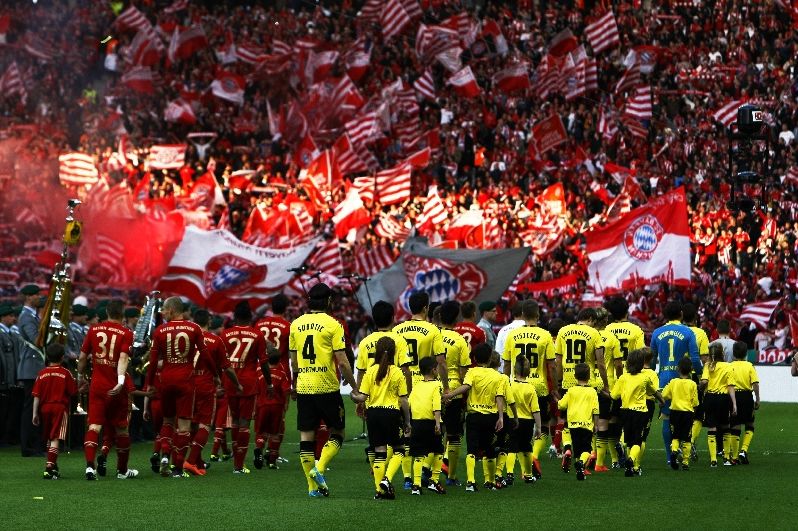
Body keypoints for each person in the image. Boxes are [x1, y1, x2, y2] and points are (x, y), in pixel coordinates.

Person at [289, 282, 359, 497]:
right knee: (338, 431)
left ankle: (312, 488)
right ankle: (319, 469)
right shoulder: (333, 324)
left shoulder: (295, 324)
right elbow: (343, 362)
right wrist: (354, 386)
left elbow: (294, 362)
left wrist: (295, 384)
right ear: (329, 301)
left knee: (306, 436)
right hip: (326, 386)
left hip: (304, 386)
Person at [77, 299, 138, 480]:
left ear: (107, 313)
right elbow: (123, 358)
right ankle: (122, 471)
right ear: (122, 314)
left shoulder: (93, 330)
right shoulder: (126, 332)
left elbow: (82, 357)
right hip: (115, 387)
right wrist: (120, 381)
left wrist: (80, 377)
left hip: (97, 385)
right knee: (121, 429)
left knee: (94, 426)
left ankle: (90, 467)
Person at [147, 296, 207, 478]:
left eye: (164, 310)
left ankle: (165, 453)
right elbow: (204, 355)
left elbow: (152, 361)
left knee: (167, 421)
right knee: (184, 426)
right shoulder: (194, 328)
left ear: (172, 310)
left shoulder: (160, 330)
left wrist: (149, 383)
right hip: (186, 381)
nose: (163, 313)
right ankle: (178, 468)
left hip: (166, 380)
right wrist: (217, 374)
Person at [393, 291, 446, 488]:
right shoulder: (433, 330)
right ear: (426, 308)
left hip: (403, 387)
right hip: (426, 386)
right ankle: (424, 469)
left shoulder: (397, 330)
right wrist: (446, 388)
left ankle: (408, 477)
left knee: (407, 433)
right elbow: (440, 361)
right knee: (434, 432)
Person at [350, 336, 410, 500]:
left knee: (379, 452)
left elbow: (362, 397)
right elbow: (404, 400)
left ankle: (379, 491)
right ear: (394, 352)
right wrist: (407, 421)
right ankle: (387, 479)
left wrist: (353, 396)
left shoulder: (370, 371)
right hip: (391, 414)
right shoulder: (397, 372)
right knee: (399, 449)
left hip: (373, 414)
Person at [501, 299, 554, 479]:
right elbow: (551, 365)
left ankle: (513, 470)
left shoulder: (512, 335)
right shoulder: (545, 335)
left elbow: (506, 363)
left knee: (515, 425)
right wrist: (554, 387)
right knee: (543, 423)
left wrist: (505, 384)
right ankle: (534, 455)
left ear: (522, 315)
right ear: (538, 315)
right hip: (538, 385)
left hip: (515, 384)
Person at [444, 343, 508, 492]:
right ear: (490, 358)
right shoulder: (498, 376)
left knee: (471, 450)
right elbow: (499, 397)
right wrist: (501, 417)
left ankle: (471, 481)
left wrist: (450, 395)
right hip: (491, 417)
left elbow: (465, 387)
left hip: (474, 416)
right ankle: (490, 481)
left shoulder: (472, 372)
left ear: (474, 358)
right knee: (489, 450)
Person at [185, 309, 241, 476]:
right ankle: (190, 461)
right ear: (209, 322)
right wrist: (237, 384)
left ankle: (197, 462)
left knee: (190, 425)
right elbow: (227, 368)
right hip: (205, 386)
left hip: (187, 385)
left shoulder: (187, 338)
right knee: (204, 425)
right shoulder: (215, 340)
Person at [354, 300, 409, 470]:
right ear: (393, 318)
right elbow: (405, 370)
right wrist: (407, 394)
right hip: (393, 400)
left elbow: (361, 372)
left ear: (374, 319)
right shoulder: (399, 340)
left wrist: (360, 398)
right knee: (399, 444)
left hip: (372, 399)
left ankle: (378, 474)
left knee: (376, 444)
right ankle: (395, 477)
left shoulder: (365, 342)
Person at [554, 308, 606, 472]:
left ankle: (567, 447)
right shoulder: (594, 333)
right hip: (587, 382)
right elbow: (600, 362)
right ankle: (587, 458)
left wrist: (559, 382)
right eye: (594, 322)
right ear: (590, 318)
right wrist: (605, 384)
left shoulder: (563, 331)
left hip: (568, 381)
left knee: (567, 420)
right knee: (587, 422)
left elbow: (558, 361)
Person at [220, 301, 269, 475]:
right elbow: (264, 362)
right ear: (250, 317)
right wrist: (269, 383)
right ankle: (239, 465)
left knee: (234, 421)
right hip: (248, 383)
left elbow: (220, 362)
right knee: (244, 423)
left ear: (235, 316)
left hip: (230, 381)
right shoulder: (257, 335)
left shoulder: (225, 334)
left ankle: (237, 461)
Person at [650, 301, 700, 459]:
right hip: (682, 379)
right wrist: (700, 375)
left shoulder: (657, 332)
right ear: (681, 314)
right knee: (685, 415)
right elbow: (695, 358)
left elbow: (652, 360)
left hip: (663, 378)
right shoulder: (688, 332)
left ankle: (669, 456)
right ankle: (684, 452)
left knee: (666, 418)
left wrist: (651, 377)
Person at [604, 296, 645, 466]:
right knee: (628, 418)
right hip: (630, 379)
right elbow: (641, 355)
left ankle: (614, 459)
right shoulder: (636, 330)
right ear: (627, 311)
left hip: (610, 381)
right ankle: (624, 445)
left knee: (611, 419)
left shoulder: (606, 329)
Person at [611, 348, 664, 477]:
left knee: (628, 439)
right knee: (638, 440)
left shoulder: (623, 377)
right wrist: (662, 400)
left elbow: (614, 395)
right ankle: (633, 462)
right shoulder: (646, 377)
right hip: (640, 412)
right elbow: (654, 391)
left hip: (625, 411)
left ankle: (624, 452)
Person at [255, 293, 292, 460]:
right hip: (281, 369)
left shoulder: (259, 324)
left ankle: (260, 446)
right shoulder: (288, 326)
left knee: (262, 408)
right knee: (279, 412)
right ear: (286, 308)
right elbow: (292, 352)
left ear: (271, 307)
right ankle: (273, 452)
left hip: (261, 369)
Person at [31, 344, 77, 479]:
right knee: (56, 437)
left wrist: (34, 413)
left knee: (49, 437)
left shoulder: (41, 373)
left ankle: (54, 466)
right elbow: (73, 392)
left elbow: (36, 395)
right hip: (59, 408)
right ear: (62, 357)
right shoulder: (65, 373)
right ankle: (49, 468)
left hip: (44, 408)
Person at [438, 301, 470, 487]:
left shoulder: (432, 335)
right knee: (454, 434)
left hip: (432, 388)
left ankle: (429, 472)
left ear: (440, 316)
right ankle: (451, 476)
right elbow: (464, 371)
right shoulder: (459, 340)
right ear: (457, 317)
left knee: (434, 432)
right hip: (454, 391)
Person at [407, 357, 445, 495]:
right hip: (431, 422)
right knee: (438, 451)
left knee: (418, 454)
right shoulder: (437, 385)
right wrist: (437, 423)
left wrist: (408, 423)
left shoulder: (417, 385)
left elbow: (409, 403)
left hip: (416, 423)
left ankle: (416, 485)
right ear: (434, 370)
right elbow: (436, 405)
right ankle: (434, 480)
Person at [592, 307, 623, 472]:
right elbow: (618, 364)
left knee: (590, 422)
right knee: (605, 422)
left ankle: (591, 455)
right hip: (607, 384)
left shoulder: (588, 336)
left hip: (589, 382)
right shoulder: (612, 338)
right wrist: (620, 380)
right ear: (606, 320)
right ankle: (599, 463)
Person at [557, 363, 599, 481]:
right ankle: (581, 463)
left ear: (575, 376)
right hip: (586, 425)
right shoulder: (592, 391)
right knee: (587, 450)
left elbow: (561, 405)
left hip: (573, 425)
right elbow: (596, 410)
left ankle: (579, 470)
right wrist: (596, 425)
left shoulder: (571, 390)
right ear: (589, 376)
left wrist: (557, 400)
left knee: (577, 449)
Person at [17, 284, 44, 457]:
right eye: (35, 295)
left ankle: (34, 444)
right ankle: (28, 447)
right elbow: (36, 340)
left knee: (35, 408)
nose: (38, 297)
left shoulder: (31, 315)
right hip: (31, 367)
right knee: (30, 409)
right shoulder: (27, 317)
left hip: (34, 367)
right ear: (28, 297)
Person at [699, 343, 737, 467]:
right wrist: (734, 404)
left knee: (712, 427)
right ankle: (726, 458)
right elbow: (730, 386)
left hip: (710, 398)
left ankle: (713, 460)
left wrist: (701, 386)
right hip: (723, 399)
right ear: (722, 353)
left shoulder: (707, 365)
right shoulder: (728, 366)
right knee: (725, 426)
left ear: (710, 354)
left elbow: (704, 381)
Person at [255, 351, 292, 470]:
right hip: (277, 406)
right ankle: (272, 461)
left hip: (262, 405)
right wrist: (286, 405)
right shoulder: (281, 374)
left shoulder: (259, 372)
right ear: (279, 360)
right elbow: (286, 390)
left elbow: (255, 389)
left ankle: (259, 449)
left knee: (261, 431)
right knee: (275, 433)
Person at [682, 303, 710, 461]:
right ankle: (690, 441)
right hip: (694, 377)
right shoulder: (701, 333)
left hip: (677, 376)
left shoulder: (678, 331)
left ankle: (677, 444)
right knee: (698, 413)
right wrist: (704, 379)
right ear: (695, 318)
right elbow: (705, 359)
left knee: (678, 410)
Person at [509, 356, 543, 483]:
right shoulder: (531, 388)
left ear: (514, 369)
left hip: (512, 419)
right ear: (529, 372)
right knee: (527, 448)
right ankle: (528, 475)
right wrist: (538, 427)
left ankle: (509, 474)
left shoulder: (510, 385)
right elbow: (536, 410)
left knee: (511, 448)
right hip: (528, 422)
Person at [662, 357, 699, 470]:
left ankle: (674, 451)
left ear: (678, 369)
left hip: (674, 413)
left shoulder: (673, 382)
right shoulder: (692, 384)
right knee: (687, 438)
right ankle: (685, 462)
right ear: (691, 370)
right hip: (687, 413)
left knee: (675, 436)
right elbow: (695, 402)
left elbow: (664, 395)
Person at [729, 341, 760, 465]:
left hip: (733, 397)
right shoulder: (749, 366)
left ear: (733, 353)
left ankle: (735, 456)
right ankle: (744, 450)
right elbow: (755, 384)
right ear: (746, 353)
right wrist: (757, 398)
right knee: (750, 424)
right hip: (747, 396)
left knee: (735, 425)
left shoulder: (729, 366)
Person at [0, 304, 22, 446]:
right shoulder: (2, 333)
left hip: (10, 378)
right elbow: (2, 359)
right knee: (3, 410)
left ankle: (7, 437)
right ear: (2, 317)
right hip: (4, 378)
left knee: (9, 410)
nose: (13, 318)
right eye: (10, 316)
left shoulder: (10, 333)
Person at [494, 302, 524, 369]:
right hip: (527, 371)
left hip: (505, 370)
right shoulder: (532, 329)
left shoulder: (503, 330)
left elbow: (498, 353)